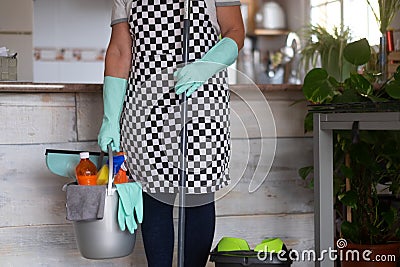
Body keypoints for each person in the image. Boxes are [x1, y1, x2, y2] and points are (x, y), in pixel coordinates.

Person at [98, 0, 244, 266]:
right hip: (146, 108)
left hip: (202, 104)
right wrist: (110, 118)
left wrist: (207, 65)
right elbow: (120, 50)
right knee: (155, 198)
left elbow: (235, 30)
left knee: (199, 197)